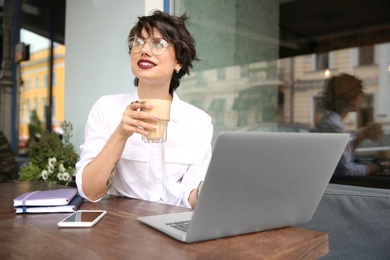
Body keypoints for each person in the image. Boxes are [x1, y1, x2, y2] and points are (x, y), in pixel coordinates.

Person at [75, 10, 213, 208]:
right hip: (121, 228)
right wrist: (121, 134)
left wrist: (210, 190)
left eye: (158, 44)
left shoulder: (198, 122)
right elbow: (90, 191)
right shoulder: (107, 109)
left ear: (179, 61)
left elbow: (190, 197)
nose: (144, 50)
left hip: (172, 224)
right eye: (138, 42)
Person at [312, 73, 389, 176]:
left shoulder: (329, 121)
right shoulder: (334, 126)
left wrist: (359, 138)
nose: (361, 99)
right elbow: (346, 171)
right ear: (350, 98)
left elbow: (341, 159)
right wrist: (381, 166)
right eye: (359, 94)